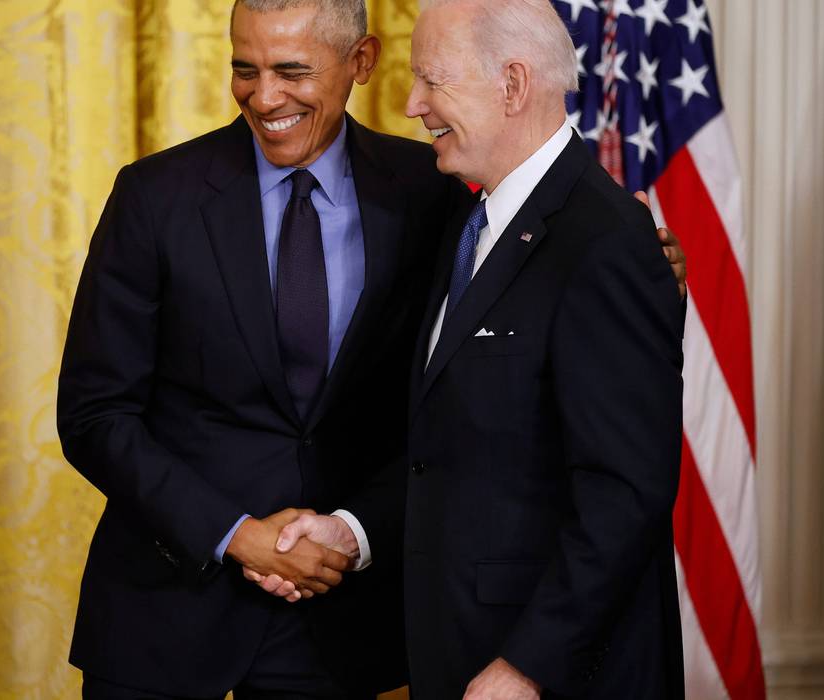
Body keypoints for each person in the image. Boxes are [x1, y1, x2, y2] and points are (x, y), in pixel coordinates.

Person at [59, 0, 685, 697]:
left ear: (359, 62)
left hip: (339, 630)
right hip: (163, 617)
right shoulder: (154, 197)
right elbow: (93, 414)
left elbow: (456, 398)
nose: (264, 97)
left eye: (291, 70)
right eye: (245, 70)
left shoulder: (434, 192)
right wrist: (234, 533)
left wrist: (640, 259)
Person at [267, 1, 685, 697]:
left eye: (432, 81)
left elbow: (623, 494)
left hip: (550, 672)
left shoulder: (604, 243)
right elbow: (454, 447)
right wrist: (352, 528)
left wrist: (529, 664)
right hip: (460, 653)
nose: (411, 105)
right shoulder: (471, 226)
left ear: (512, 85)